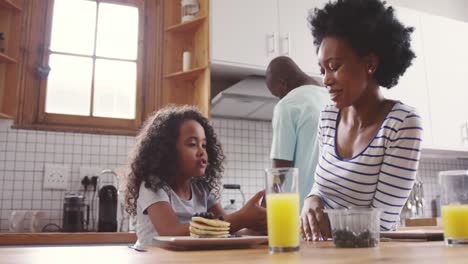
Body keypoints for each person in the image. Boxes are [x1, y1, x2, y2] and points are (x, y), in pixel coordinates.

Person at [301, 0, 422, 241]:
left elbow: (382, 224)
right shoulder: (328, 117)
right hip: (319, 253)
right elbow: (321, 189)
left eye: (334, 67)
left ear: (370, 64)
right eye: (323, 70)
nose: (325, 80)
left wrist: (327, 220)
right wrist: (311, 199)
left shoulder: (402, 124)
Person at [125, 105, 267, 246]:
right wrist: (241, 218)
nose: (201, 151)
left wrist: (257, 228)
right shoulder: (153, 185)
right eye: (192, 144)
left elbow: (225, 230)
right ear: (167, 151)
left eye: (204, 145)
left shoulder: (202, 189)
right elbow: (170, 232)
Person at [265, 56, 330, 209]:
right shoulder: (333, 98)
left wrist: (266, 203)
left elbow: (280, 169)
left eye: (276, 94)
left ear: (282, 84)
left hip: (300, 213)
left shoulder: (287, 105)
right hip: (332, 211)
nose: (279, 99)